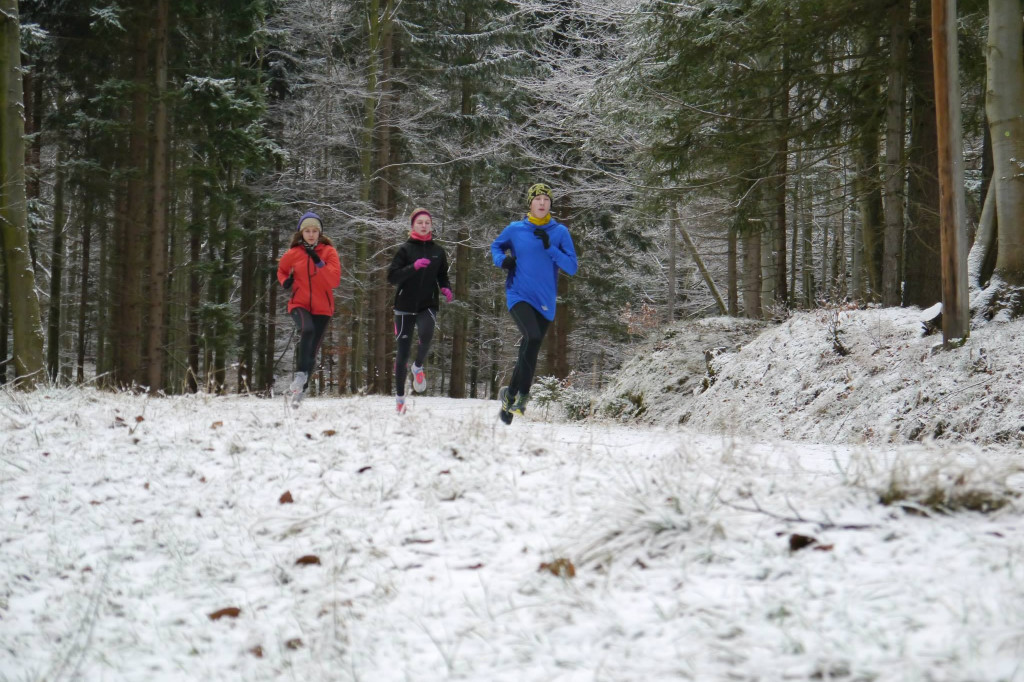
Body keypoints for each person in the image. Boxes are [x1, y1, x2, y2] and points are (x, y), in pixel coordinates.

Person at [490, 183, 578, 424]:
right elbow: (496, 246)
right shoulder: (515, 229)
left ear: (550, 204)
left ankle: (509, 397)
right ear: (530, 203)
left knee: (529, 347)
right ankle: (523, 396)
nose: (542, 203)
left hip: (545, 301)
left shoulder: (559, 232)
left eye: (546, 199)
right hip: (518, 294)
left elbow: (572, 267)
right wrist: (502, 260)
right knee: (533, 336)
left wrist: (550, 248)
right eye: (537, 199)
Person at [387, 208, 453, 413]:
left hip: (428, 304)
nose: (424, 226)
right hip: (404, 307)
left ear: (431, 226)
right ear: (412, 226)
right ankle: (400, 399)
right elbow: (392, 276)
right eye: (420, 222)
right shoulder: (405, 250)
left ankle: (418, 366)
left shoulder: (438, 251)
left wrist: (446, 287)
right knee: (403, 353)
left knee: (426, 334)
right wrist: (413, 267)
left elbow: (442, 275)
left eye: (427, 222)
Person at [277, 211, 342, 405]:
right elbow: (281, 270)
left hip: (323, 308)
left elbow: (334, 281)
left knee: (312, 350)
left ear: (320, 233)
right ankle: (300, 375)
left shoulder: (329, 252)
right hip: (299, 304)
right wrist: (285, 281)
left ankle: (300, 392)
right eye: (307, 231)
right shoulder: (293, 253)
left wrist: (319, 263)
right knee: (307, 330)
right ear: (301, 233)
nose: (311, 234)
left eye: (315, 231)